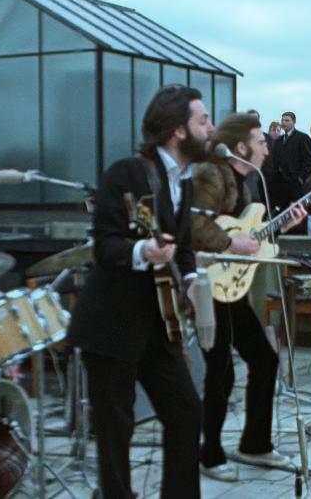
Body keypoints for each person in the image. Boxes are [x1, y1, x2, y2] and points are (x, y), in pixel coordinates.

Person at [67, 85, 210, 499]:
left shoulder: (186, 181)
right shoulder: (126, 174)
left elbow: (180, 248)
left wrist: (190, 280)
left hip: (158, 323)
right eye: (203, 120)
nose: (210, 128)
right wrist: (143, 250)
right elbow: (104, 245)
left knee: (186, 411)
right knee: (116, 432)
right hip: (111, 325)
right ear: (179, 130)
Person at [190, 113, 305, 482]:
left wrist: (281, 226)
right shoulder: (211, 174)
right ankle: (209, 454)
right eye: (260, 142)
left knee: (264, 359)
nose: (267, 148)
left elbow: (251, 236)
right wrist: (231, 243)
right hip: (208, 285)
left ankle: (254, 445)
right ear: (242, 147)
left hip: (231, 289)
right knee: (219, 371)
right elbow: (195, 225)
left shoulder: (248, 185)